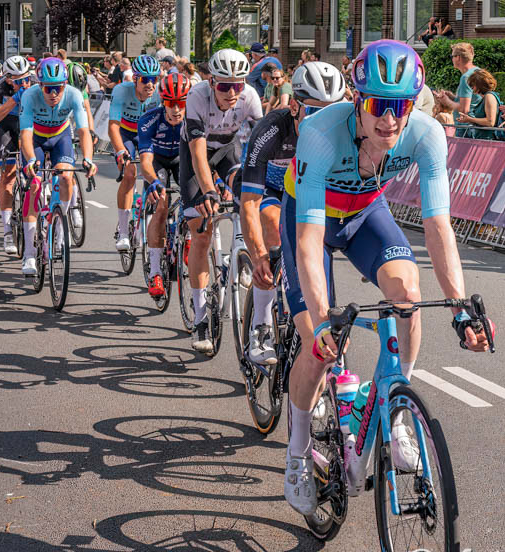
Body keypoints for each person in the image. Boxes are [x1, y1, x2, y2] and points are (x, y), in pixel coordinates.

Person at [278, 39, 491, 515]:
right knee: (318, 346)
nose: (390, 120)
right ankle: (297, 449)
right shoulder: (319, 132)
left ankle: (395, 412)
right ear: (357, 99)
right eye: (378, 105)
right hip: (309, 218)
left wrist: (459, 307)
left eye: (401, 106)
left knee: (408, 293)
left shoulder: (427, 134)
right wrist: (322, 319)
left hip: (364, 214)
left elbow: (438, 226)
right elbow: (309, 240)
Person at [239, 62, 348, 365]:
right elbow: (249, 202)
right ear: (295, 107)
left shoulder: (342, 132)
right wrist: (259, 255)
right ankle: (261, 325)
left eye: (332, 113)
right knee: (273, 226)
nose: (324, 123)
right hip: (271, 190)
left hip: (307, 196)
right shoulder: (271, 130)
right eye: (314, 113)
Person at [180, 49, 262, 353]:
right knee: (201, 232)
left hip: (228, 150)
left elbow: (263, 143)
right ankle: (201, 317)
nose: (231, 92)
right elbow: (198, 154)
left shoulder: (250, 97)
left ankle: (242, 252)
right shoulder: (197, 96)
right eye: (224, 85)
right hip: (196, 153)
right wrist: (209, 190)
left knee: (247, 197)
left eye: (237, 85)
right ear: (212, 82)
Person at [17, 57, 98, 276]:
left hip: (60, 136)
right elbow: (25, 135)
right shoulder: (29, 95)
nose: (53, 94)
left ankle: (60, 230)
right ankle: (29, 253)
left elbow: (83, 131)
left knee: (66, 177)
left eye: (58, 88)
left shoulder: (73, 94)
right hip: (36, 138)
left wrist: (88, 158)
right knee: (34, 185)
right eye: (48, 88)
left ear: (65, 85)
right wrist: (31, 160)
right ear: (40, 86)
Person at [139, 73, 191, 299]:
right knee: (161, 205)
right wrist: (154, 182)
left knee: (194, 199)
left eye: (181, 102)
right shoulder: (149, 119)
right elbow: (145, 163)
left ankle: (188, 240)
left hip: (181, 160)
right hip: (157, 162)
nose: (176, 109)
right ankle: (155, 273)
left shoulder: (194, 120)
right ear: (163, 101)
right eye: (171, 103)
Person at [109, 54, 162, 252]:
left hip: (148, 135)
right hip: (126, 133)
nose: (150, 84)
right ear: (135, 79)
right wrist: (120, 151)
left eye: (154, 79)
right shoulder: (121, 91)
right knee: (130, 174)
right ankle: (123, 231)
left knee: (154, 175)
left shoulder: (159, 93)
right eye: (145, 79)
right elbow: (113, 126)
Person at [0, 55, 34, 257]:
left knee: (37, 170)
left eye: (26, 79)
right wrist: (15, 99)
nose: (23, 84)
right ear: (8, 79)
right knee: (8, 176)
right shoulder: (0, 87)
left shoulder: (36, 83)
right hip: (8, 126)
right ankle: (7, 231)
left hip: (30, 125)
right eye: (17, 81)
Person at [434, 42, 479, 137]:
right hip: (474, 127)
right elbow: (473, 101)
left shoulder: (466, 77)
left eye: (452, 56)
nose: (452, 59)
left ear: (458, 57)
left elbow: (464, 109)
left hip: (466, 129)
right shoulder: (477, 71)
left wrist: (446, 101)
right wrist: (452, 97)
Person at [457, 69, 505, 140]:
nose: (471, 88)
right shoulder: (487, 97)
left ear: (480, 84)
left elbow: (490, 122)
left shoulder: (489, 96)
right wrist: (469, 119)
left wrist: (470, 119)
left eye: (472, 85)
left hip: (489, 140)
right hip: (484, 139)